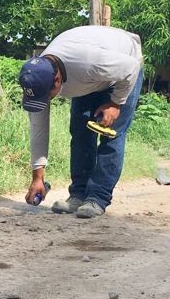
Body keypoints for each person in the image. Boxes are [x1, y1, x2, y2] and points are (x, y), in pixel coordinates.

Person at [18, 25, 144, 219]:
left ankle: (97, 198)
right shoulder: (39, 80)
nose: (45, 100)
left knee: (111, 136)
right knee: (80, 132)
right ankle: (78, 195)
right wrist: (38, 177)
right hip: (89, 79)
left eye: (47, 96)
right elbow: (38, 129)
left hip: (124, 70)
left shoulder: (89, 62)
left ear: (57, 79)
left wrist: (116, 103)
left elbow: (131, 68)